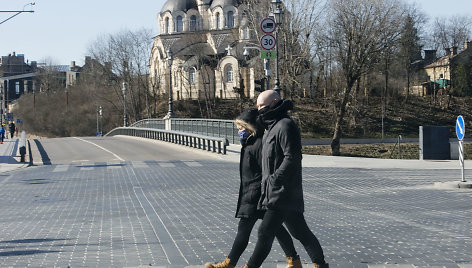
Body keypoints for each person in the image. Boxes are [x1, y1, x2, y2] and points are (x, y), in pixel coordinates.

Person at [205, 108, 302, 268]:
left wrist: (262, 190)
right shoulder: (252, 142)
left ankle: (229, 264)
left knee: (244, 230)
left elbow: (266, 170)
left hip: (256, 194)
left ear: (250, 127)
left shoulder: (258, 144)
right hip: (256, 193)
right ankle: (294, 260)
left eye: (241, 128)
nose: (239, 131)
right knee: (276, 228)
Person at [243, 90, 328, 268]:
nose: (259, 109)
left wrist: (275, 180)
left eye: (262, 105)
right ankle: (319, 264)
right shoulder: (271, 128)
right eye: (258, 105)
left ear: (274, 103)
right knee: (300, 231)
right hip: (276, 191)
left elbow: (293, 158)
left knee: (265, 232)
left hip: (282, 192)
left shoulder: (285, 125)